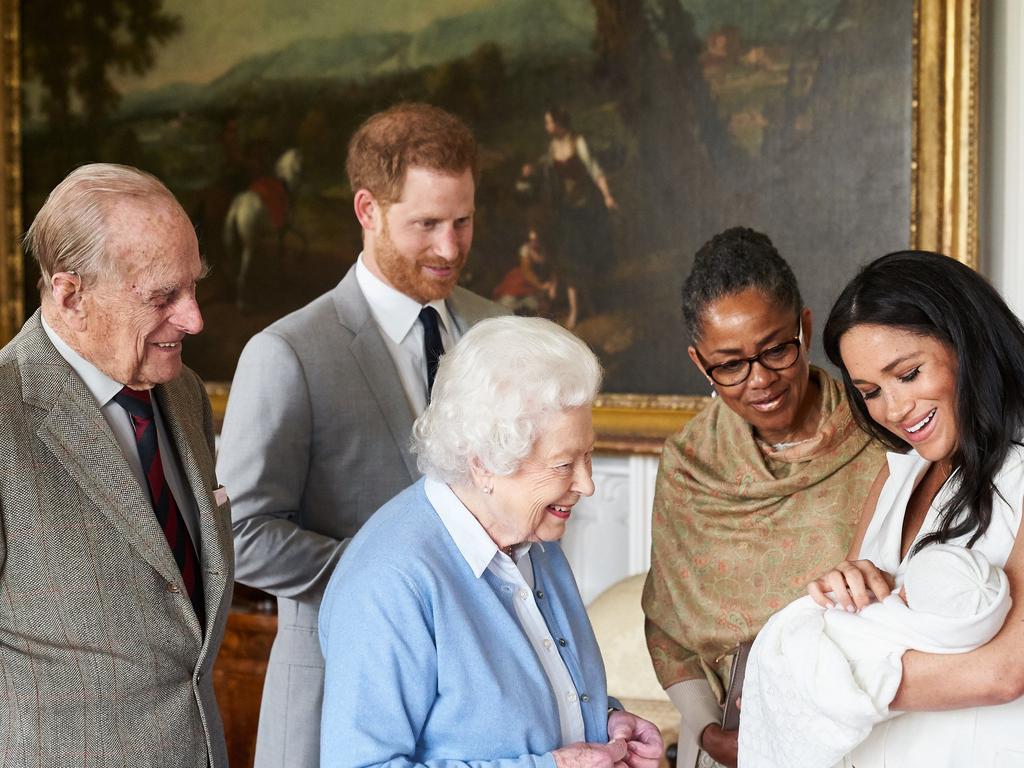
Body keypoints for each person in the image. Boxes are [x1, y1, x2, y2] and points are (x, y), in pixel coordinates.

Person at [216, 102, 507, 768]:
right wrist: (396, 576)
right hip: (335, 699)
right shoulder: (287, 352)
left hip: (479, 710)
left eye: (463, 221)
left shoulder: (498, 329)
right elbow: (240, 536)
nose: (450, 247)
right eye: (426, 224)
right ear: (367, 211)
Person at [318, 316, 664, 767]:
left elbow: (522, 710)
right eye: (563, 465)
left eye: (589, 455)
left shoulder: (535, 537)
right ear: (484, 465)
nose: (587, 483)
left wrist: (608, 722)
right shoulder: (388, 583)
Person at [0, 163, 233, 767]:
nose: (194, 319)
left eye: (193, 286)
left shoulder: (181, 394)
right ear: (71, 294)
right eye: (164, 297)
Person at [641, 227, 886, 768]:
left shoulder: (881, 434)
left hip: (863, 732)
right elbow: (667, 624)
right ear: (699, 363)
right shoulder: (689, 466)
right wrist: (706, 730)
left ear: (804, 326)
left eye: (776, 349)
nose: (760, 381)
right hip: (729, 739)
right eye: (729, 364)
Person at [808, 250, 1024, 767]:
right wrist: (845, 587)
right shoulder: (896, 474)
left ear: (966, 341)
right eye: (870, 392)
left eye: (908, 373)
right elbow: (858, 624)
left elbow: (1004, 673)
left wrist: (816, 673)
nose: (894, 410)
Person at [742, 544, 1010, 768]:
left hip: (821, 655)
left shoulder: (896, 639)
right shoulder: (964, 625)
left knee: (791, 661)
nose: (899, 592)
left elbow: (846, 697)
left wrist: (788, 687)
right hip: (818, 635)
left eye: (906, 590)